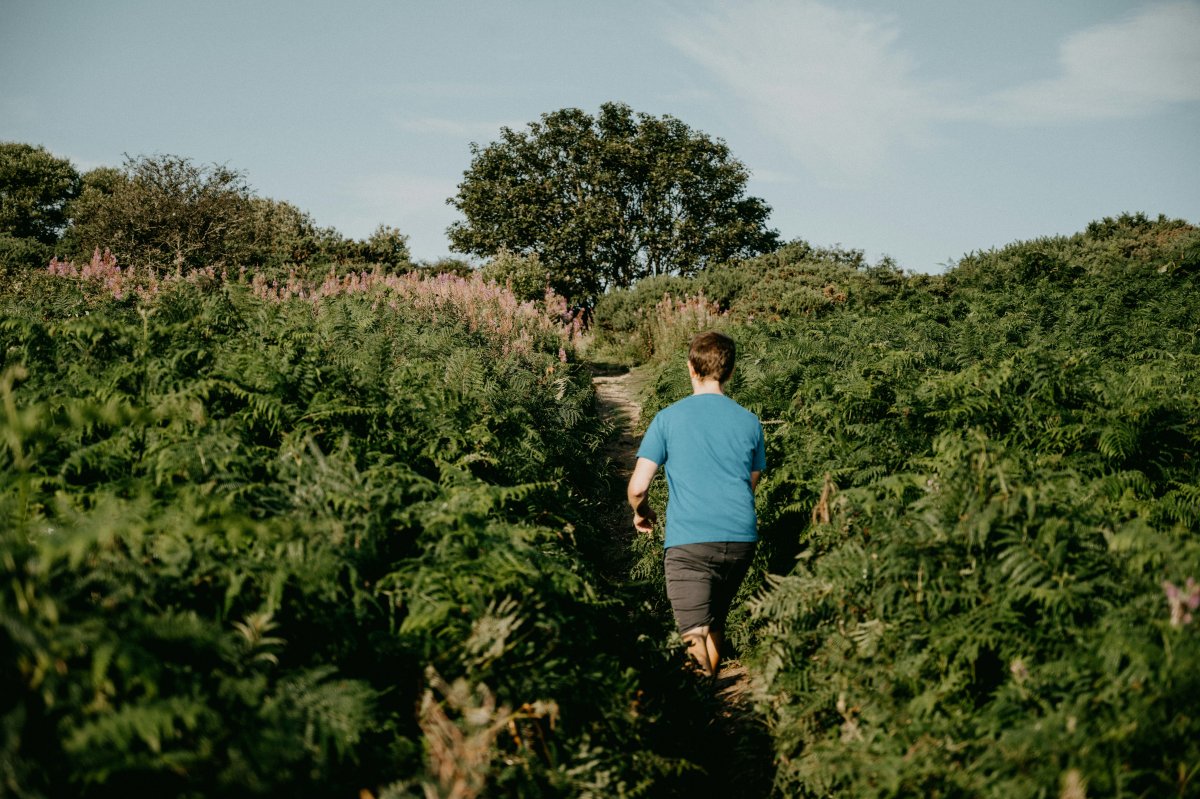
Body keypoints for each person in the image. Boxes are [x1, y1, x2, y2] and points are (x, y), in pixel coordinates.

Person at [627, 331, 765, 677]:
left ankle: (700, 717)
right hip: (741, 541)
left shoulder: (668, 419)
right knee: (714, 622)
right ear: (730, 372)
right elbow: (751, 482)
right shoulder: (750, 421)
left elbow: (638, 487)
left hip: (690, 543)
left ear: (690, 368)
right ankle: (713, 705)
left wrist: (641, 513)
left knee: (694, 633)